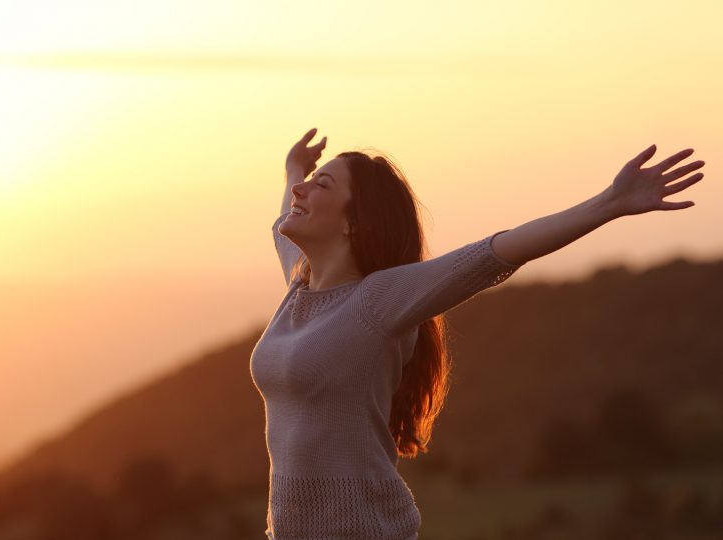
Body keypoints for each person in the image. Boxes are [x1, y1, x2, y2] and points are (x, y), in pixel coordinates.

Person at [249, 128, 705, 539]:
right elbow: (283, 220)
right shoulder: (299, 285)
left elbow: (495, 252)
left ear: (354, 223)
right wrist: (295, 168)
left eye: (321, 185)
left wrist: (609, 203)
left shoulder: (377, 301)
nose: (299, 192)